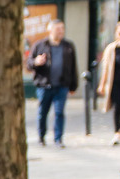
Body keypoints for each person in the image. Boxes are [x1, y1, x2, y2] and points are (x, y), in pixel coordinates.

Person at [26, 19, 78, 148]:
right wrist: (36, 62)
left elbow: (73, 67)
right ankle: (41, 137)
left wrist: (73, 85)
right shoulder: (40, 45)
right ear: (50, 30)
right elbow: (29, 64)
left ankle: (58, 138)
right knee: (42, 113)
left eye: (62, 28)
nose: (61, 31)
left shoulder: (68, 46)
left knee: (59, 112)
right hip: (45, 86)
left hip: (62, 85)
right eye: (58, 29)